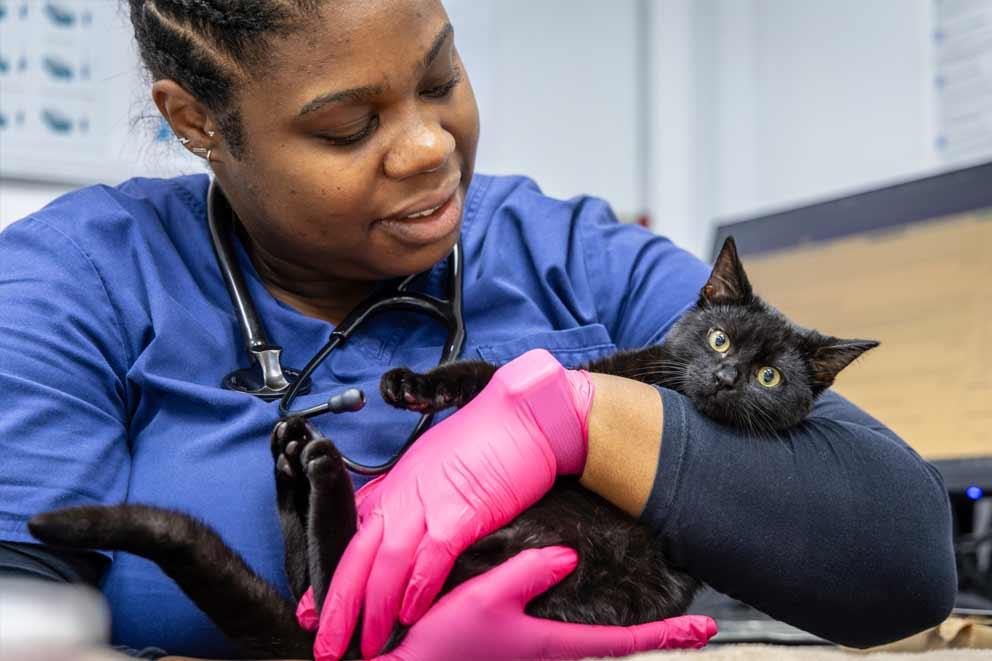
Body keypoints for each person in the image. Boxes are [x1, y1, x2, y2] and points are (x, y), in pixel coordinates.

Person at [0, 1, 956, 660]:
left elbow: (903, 554)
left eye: (441, 78)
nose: (428, 147)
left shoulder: (567, 251)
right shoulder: (77, 281)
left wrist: (576, 415)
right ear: (196, 119)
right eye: (345, 127)